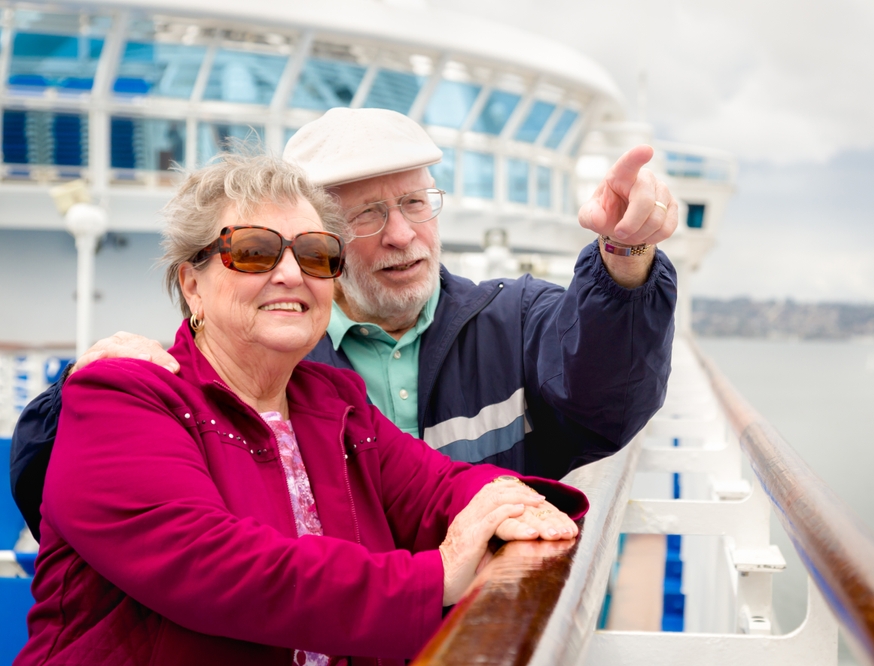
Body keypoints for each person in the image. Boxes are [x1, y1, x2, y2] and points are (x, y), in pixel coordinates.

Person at [15, 153, 585, 666]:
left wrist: (517, 509)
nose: (291, 273)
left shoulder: (331, 402)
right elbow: (214, 568)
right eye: (254, 251)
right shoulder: (123, 396)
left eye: (316, 254)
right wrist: (431, 577)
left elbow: (435, 488)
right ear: (192, 283)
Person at [10, 108, 677, 541]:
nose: (401, 233)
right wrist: (82, 389)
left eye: (416, 202)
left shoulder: (515, 319)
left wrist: (625, 258)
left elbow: (607, 399)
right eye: (366, 215)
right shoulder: (269, 360)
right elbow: (55, 486)